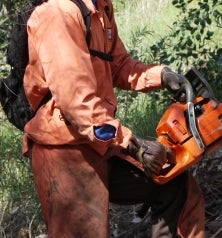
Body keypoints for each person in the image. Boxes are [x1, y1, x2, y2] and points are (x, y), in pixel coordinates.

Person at [21, 0, 205, 237]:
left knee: (173, 183)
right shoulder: (58, 13)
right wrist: (132, 145)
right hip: (64, 150)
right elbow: (77, 104)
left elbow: (118, 65)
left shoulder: (100, 7)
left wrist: (161, 75)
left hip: (100, 139)